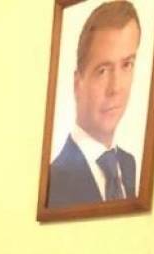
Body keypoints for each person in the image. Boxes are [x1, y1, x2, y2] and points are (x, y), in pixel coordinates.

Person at [47, 1, 141, 208]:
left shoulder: (128, 165)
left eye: (127, 65)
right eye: (103, 71)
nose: (116, 88)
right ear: (77, 83)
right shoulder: (54, 181)